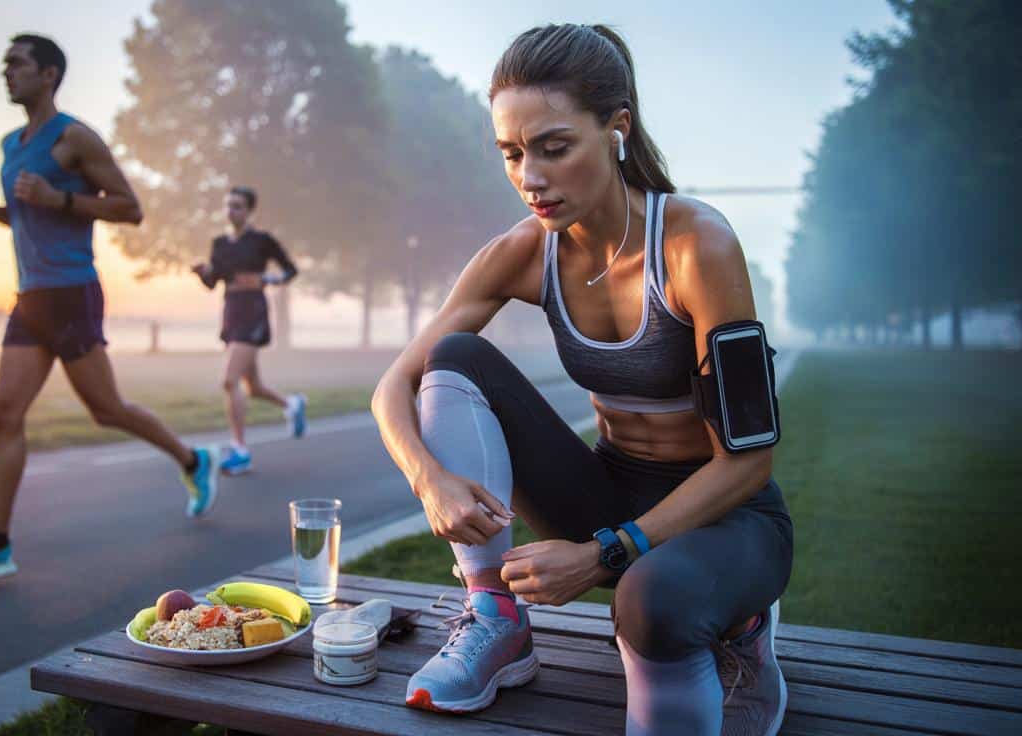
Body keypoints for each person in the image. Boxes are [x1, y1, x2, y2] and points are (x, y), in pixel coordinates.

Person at [370, 24, 792, 735]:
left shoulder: (697, 247)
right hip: (609, 488)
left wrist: (604, 554)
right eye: (511, 153)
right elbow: (394, 387)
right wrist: (429, 480)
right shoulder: (523, 253)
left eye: (554, 147)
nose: (530, 177)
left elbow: (749, 460)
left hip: (729, 515)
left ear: (616, 130)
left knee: (651, 606)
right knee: (454, 360)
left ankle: (741, 630)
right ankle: (496, 619)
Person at [0, 34, 221, 578]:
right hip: (31, 297)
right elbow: (26, 217)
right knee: (2, 414)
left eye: (16, 63)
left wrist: (59, 197)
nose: (5, 72)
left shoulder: (75, 138)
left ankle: (192, 460)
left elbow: (130, 209)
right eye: (4, 63)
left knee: (106, 410)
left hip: (71, 293)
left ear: (49, 75)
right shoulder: (11, 145)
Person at [191, 186, 306, 476]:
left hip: (254, 313)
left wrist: (267, 278)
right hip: (231, 312)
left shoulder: (262, 241)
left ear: (250, 210)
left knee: (229, 382)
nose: (231, 211)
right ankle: (291, 403)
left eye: (238, 206)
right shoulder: (219, 243)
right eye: (228, 206)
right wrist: (201, 273)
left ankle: (241, 451)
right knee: (251, 387)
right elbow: (212, 282)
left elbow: (291, 270)